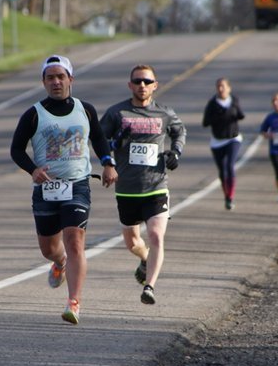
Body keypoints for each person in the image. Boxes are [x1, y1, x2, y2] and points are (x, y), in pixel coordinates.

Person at [10, 55, 118, 325]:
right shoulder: (34, 114)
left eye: (61, 76)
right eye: (50, 77)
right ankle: (58, 263)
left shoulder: (86, 110)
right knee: (49, 248)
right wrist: (33, 169)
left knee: (75, 242)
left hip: (77, 185)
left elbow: (100, 140)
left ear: (71, 79)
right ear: (44, 82)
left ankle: (74, 303)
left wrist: (108, 164)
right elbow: (16, 149)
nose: (56, 82)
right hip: (47, 188)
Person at [100, 65, 186, 306]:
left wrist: (175, 153)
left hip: (156, 186)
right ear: (130, 85)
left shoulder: (164, 113)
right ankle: (145, 258)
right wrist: (109, 155)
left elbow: (180, 132)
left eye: (147, 81)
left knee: (157, 235)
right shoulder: (117, 113)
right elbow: (98, 137)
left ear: (155, 85)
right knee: (133, 243)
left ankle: (149, 286)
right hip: (127, 188)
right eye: (138, 81)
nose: (142, 86)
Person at [201, 78, 244, 210]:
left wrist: (234, 113)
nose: (221, 89)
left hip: (233, 139)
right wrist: (218, 116)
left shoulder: (234, 100)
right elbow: (205, 123)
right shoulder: (212, 103)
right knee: (222, 171)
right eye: (219, 86)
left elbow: (241, 115)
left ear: (229, 88)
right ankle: (226, 196)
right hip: (217, 142)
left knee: (229, 166)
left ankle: (230, 197)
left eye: (223, 86)